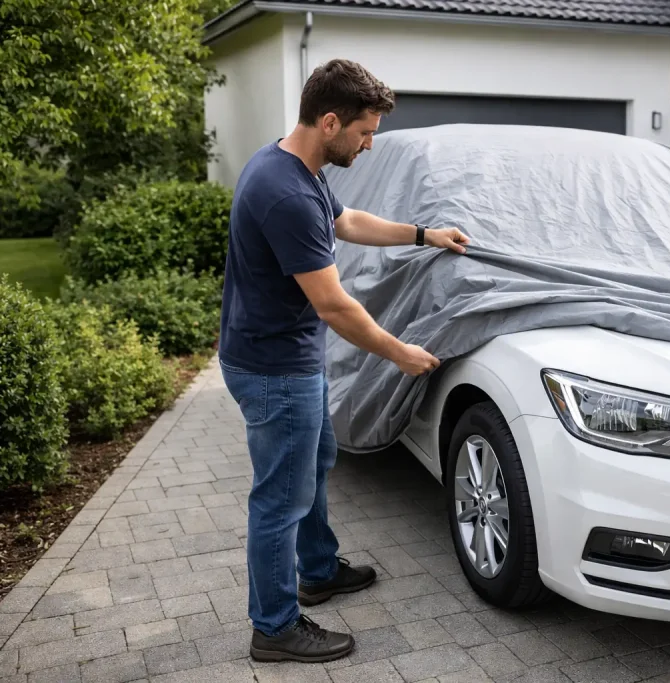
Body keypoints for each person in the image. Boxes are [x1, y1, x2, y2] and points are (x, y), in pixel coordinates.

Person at [218, 58, 470, 664]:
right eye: (365, 132)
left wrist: (424, 234)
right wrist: (398, 352)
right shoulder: (285, 194)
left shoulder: (295, 168)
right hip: (275, 370)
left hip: (286, 359)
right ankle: (274, 628)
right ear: (330, 122)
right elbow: (333, 305)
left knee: (312, 467)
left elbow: (348, 221)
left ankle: (319, 569)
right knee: (280, 497)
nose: (370, 144)